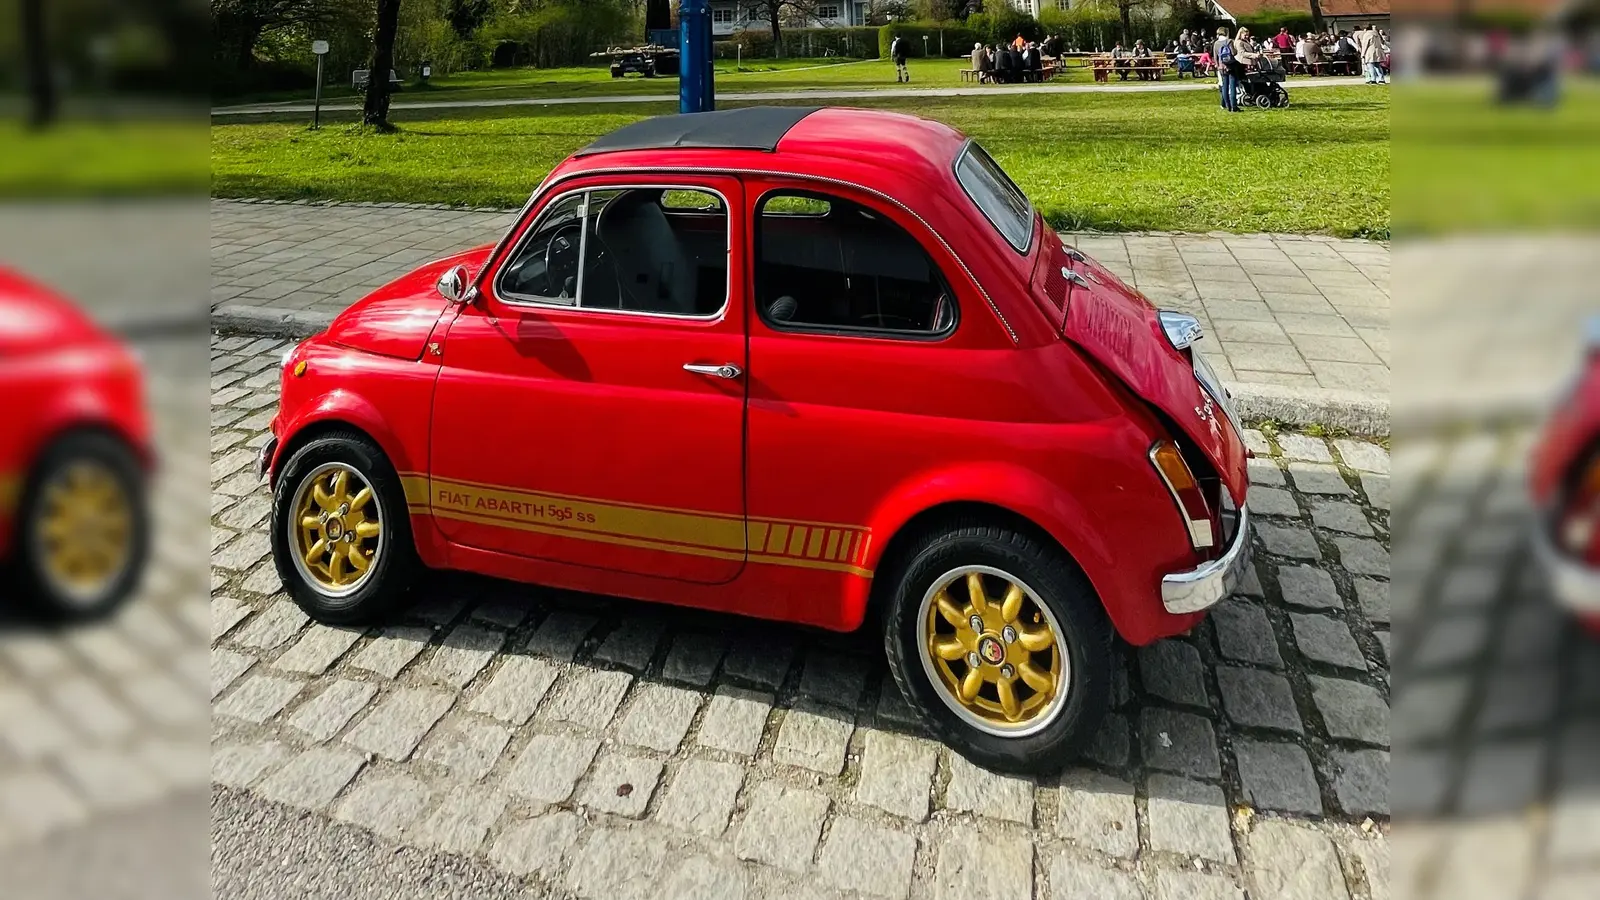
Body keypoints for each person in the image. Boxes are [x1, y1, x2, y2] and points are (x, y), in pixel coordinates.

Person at [1214, 26, 1240, 111]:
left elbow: (1215, 57)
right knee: (1232, 87)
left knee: (1224, 86)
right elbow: (1234, 53)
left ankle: (1227, 106)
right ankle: (1234, 106)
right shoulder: (1229, 41)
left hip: (1222, 67)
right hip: (1231, 66)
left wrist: (1218, 66)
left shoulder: (1216, 43)